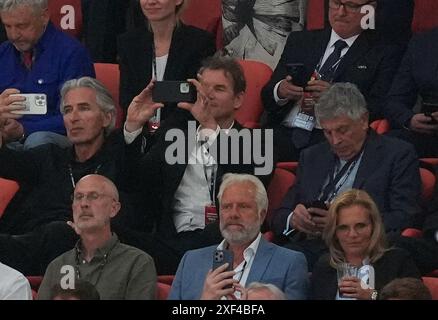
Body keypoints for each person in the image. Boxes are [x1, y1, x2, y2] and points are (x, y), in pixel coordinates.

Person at [119, 55, 274, 275]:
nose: (207, 95)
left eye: (218, 89)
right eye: (203, 88)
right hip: (170, 241)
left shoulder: (257, 141)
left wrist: (210, 127)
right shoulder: (174, 136)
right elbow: (134, 182)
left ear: (238, 99)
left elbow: (248, 186)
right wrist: (133, 126)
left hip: (225, 238)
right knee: (105, 230)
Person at [0, 76, 144, 275]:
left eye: (84, 108)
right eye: (68, 110)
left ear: (107, 118)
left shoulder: (119, 162)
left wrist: (133, 126)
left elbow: (134, 169)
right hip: (23, 246)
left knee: (60, 233)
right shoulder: (49, 157)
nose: (74, 118)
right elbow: (5, 162)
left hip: (74, 257)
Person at [271, 82, 421, 270]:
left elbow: (405, 217)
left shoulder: (397, 155)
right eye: (327, 132)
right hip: (310, 246)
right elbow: (279, 215)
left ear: (364, 120)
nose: (335, 140)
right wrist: (293, 218)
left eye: (342, 130)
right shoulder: (312, 156)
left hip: (363, 250)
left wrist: (342, 223)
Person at [261, 0, 403, 161]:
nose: (341, 12)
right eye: (336, 3)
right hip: (282, 131)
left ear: (370, 9)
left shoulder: (384, 52)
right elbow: (267, 97)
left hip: (332, 139)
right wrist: (280, 91)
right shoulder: (300, 41)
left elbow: (380, 106)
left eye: (351, 6)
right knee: (236, 148)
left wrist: (337, 99)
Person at [168, 173, 308, 300]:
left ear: (262, 215)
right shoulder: (191, 261)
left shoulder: (290, 263)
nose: (233, 214)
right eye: (227, 206)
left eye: (243, 206)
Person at [37, 174, 157, 300]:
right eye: (78, 197)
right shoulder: (57, 266)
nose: (84, 204)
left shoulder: (137, 263)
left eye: (93, 196)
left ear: (114, 208)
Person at [0, 0, 95, 149]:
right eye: (7, 26)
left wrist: (23, 130)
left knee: (38, 141)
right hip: (8, 137)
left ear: (44, 16)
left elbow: (77, 117)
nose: (13, 35)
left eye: (21, 26)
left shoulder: (71, 53)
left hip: (53, 139)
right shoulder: (3, 53)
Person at [117, 0, 216, 133]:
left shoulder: (200, 43)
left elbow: (191, 97)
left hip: (181, 134)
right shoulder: (129, 43)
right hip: (139, 132)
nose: (151, 2)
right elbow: (127, 98)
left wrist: (160, 135)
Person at [310, 189, 420, 300]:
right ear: (334, 233)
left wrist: (373, 296)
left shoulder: (398, 262)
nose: (352, 234)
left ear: (374, 227)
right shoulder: (324, 267)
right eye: (343, 228)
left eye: (360, 226)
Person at [383, 28, 438, 158]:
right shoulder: (423, 43)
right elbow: (393, 101)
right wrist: (409, 120)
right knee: (381, 147)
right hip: (429, 133)